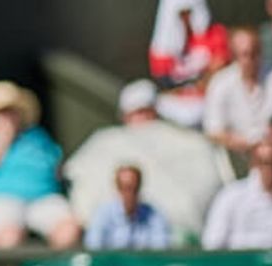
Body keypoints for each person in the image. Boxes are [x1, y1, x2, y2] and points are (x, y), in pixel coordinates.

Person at [64, 80, 229, 245]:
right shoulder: (105, 142)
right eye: (137, 113)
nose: (142, 119)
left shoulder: (191, 144)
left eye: (146, 112)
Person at [0, 80, 81, 248]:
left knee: (69, 230)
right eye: (1, 112)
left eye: (11, 111)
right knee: (9, 238)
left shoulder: (37, 136)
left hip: (43, 198)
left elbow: (57, 166)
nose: (7, 117)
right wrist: (3, 141)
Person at [203, 26, 272, 155]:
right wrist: (249, 145)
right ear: (234, 55)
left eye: (255, 53)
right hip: (236, 157)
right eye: (245, 54)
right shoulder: (220, 83)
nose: (250, 60)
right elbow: (214, 131)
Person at [148, 0, 230, 128]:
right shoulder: (161, 48)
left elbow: (219, 74)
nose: (186, 18)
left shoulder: (216, 35)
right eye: (181, 13)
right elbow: (165, 87)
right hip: (174, 113)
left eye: (190, 12)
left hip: (210, 109)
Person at [203, 141, 272, 249]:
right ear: (254, 164)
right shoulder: (230, 196)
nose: (269, 168)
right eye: (263, 162)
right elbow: (213, 242)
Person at [83, 165, 173, 251]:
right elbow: (94, 248)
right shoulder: (102, 215)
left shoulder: (154, 215)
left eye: (134, 188)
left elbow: (161, 250)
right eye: (125, 187)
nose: (130, 193)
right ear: (118, 188)